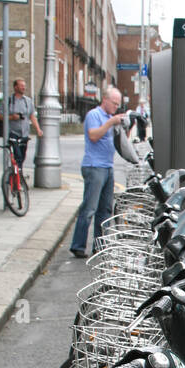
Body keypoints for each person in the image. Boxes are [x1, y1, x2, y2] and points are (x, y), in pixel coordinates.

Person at [69, 85, 126, 258]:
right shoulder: (94, 115)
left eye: (118, 105)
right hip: (94, 166)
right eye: (114, 103)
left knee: (105, 209)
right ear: (105, 100)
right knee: (89, 208)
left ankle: (99, 245)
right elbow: (93, 135)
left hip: (108, 166)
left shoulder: (110, 117)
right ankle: (78, 245)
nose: (116, 107)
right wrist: (110, 122)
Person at [0, 79, 43, 163]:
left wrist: (38, 129)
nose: (24, 87)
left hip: (24, 133)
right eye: (21, 86)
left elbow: (32, 116)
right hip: (12, 132)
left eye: (24, 86)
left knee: (22, 156)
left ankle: (19, 173)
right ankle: (14, 172)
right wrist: (12, 117)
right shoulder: (8, 101)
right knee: (17, 155)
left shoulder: (28, 101)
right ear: (15, 87)